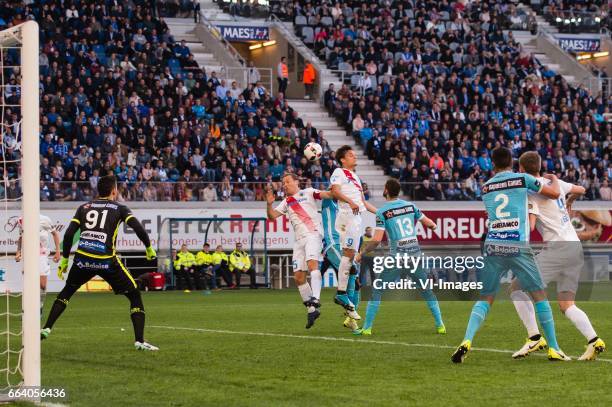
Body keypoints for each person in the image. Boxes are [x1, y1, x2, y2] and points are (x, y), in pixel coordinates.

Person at [451, 147, 568, 363]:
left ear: (492, 163)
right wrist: (554, 179)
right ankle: (554, 348)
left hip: (493, 245)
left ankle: (466, 340)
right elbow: (554, 194)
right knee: (539, 295)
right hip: (517, 245)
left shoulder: (485, 187)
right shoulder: (522, 178)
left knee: (486, 298)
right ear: (512, 162)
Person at [41, 175, 159, 351]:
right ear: (114, 191)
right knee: (134, 294)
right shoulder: (120, 208)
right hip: (106, 261)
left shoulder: (84, 207)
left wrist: (65, 259)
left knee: (67, 290)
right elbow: (138, 228)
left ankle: (47, 327)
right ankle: (140, 341)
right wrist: (149, 248)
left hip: (83, 260)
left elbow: (68, 234)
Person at [510, 152, 605, 360]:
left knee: (516, 287)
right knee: (566, 305)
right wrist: (571, 199)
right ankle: (594, 340)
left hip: (558, 248)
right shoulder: (556, 182)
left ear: (522, 170)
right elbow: (581, 189)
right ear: (540, 166)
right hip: (574, 248)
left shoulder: (531, 191)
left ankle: (534, 337)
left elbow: (531, 225)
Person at [354, 178, 445, 335]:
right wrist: (434, 226)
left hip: (398, 258)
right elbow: (429, 223)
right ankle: (440, 325)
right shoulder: (410, 206)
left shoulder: (383, 212)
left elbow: (376, 240)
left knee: (377, 290)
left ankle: (367, 328)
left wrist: (361, 253)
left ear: (386, 190)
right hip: (415, 257)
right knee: (427, 291)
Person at [266, 173, 334, 328]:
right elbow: (272, 217)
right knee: (298, 277)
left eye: (287, 181)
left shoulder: (308, 192)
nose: (285, 184)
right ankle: (312, 310)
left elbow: (326, 194)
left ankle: (315, 298)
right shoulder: (286, 202)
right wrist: (269, 204)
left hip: (313, 234)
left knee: (312, 265)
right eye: (283, 183)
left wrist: (334, 189)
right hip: (298, 240)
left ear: (297, 181)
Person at [330, 145, 377, 318]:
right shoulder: (338, 172)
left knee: (351, 258)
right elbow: (335, 191)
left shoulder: (355, 176)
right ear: (342, 159)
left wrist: (380, 213)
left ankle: (345, 298)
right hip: (347, 216)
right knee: (348, 254)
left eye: (355, 155)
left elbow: (363, 202)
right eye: (351, 155)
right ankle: (341, 293)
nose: (354, 157)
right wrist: (350, 202)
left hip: (356, 219)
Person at [320, 197, 361, 332]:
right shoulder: (327, 201)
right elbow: (332, 192)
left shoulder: (341, 208)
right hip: (332, 244)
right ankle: (342, 298)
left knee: (356, 281)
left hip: (342, 245)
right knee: (352, 270)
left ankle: (351, 320)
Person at [15, 214, 62, 314]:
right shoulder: (21, 220)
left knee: (42, 285)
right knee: (28, 284)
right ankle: (26, 308)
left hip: (42, 255)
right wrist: (18, 251)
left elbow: (55, 234)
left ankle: (40, 306)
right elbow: (21, 237)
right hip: (28, 255)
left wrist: (58, 251)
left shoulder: (45, 219)